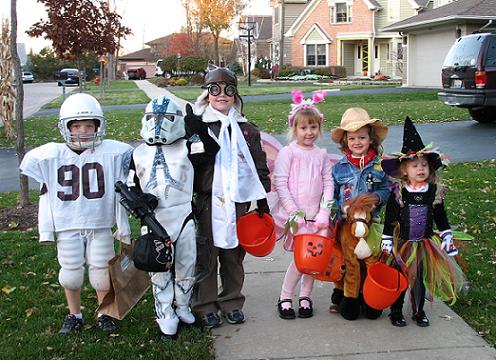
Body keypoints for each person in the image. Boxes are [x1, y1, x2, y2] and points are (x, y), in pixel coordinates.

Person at [19, 93, 132, 335]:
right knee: (70, 274)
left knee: (102, 274)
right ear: (66, 127)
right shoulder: (49, 155)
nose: (83, 131)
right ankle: (75, 314)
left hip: (100, 223)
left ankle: (104, 313)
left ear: (98, 126)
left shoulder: (113, 152)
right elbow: (35, 176)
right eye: (77, 126)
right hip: (67, 224)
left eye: (89, 125)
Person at [185, 65, 271, 329]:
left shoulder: (247, 130)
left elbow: (259, 165)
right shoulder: (198, 127)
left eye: (228, 90)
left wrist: (262, 198)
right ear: (207, 93)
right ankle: (205, 304)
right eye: (215, 89)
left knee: (233, 254)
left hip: (239, 200)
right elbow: (188, 166)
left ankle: (232, 300)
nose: (222, 95)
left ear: (235, 94)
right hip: (207, 200)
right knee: (207, 253)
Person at [380, 117, 465, 327]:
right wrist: (387, 238)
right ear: (404, 170)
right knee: (400, 277)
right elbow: (390, 217)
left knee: (419, 280)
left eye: (424, 165)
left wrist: (446, 233)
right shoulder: (399, 192)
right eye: (415, 165)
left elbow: (440, 215)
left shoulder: (433, 192)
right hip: (404, 244)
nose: (420, 169)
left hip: (424, 245)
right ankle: (396, 311)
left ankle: (418, 311)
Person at [127, 96, 199, 341]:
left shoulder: (187, 146)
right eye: (153, 118)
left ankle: (183, 307)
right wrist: (139, 200)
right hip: (154, 220)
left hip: (184, 214)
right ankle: (165, 313)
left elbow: (209, 157)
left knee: (186, 264)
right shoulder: (137, 153)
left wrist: (199, 130)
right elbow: (130, 184)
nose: (158, 124)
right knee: (158, 269)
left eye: (165, 118)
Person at [272, 90, 334, 320]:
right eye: (303, 128)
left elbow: (328, 183)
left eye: (313, 127)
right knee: (301, 260)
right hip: (297, 215)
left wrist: (324, 212)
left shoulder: (321, 155)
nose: (309, 132)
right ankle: (286, 296)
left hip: (318, 218)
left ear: (319, 127)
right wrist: (293, 212)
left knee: (315, 259)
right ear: (294, 129)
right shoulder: (288, 153)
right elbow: (281, 184)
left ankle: (306, 296)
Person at [329, 107, 390, 314]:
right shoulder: (339, 168)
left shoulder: (380, 167)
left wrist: (375, 200)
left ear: (371, 139)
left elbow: (385, 190)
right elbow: (334, 195)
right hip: (348, 224)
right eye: (352, 138)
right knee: (350, 261)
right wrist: (340, 211)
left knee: (371, 260)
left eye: (362, 137)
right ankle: (347, 297)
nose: (357, 142)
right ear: (345, 141)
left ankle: (370, 297)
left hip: (371, 223)